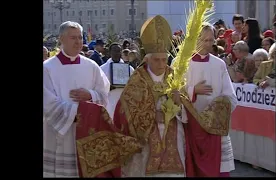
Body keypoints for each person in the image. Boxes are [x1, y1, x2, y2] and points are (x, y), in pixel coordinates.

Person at [113, 15, 186, 177]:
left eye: (164, 60)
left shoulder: (174, 76)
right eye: (157, 60)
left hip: (172, 135)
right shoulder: (138, 78)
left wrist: (178, 104)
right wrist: (153, 115)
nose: (161, 65)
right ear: (147, 60)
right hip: (145, 142)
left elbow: (186, 108)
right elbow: (126, 110)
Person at [43, 21, 111, 177]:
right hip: (59, 133)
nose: (78, 42)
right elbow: (47, 102)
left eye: (80, 38)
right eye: (73, 38)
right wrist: (79, 112)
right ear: (61, 39)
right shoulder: (47, 68)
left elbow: (104, 93)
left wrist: (91, 95)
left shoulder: (92, 66)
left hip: (87, 132)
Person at [179, 23, 237, 177]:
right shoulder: (181, 64)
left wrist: (217, 108)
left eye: (211, 40)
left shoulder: (219, 64)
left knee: (219, 170)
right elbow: (172, 93)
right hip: (190, 126)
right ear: (195, 39)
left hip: (214, 129)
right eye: (204, 40)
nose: (208, 44)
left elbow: (230, 96)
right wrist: (193, 91)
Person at [100, 42, 134, 119]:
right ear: (110, 52)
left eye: (119, 51)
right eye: (114, 51)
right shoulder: (102, 69)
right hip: (110, 101)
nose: (117, 53)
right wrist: (108, 87)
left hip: (124, 101)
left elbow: (135, 84)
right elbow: (98, 86)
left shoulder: (129, 69)